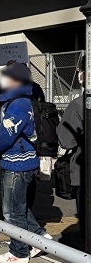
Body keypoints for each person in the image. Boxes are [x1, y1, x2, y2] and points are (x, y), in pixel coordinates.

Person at [0, 61, 48, 263]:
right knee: (19, 207)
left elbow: (7, 135)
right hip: (23, 163)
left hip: (17, 165)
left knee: (11, 212)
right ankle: (38, 238)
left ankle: (19, 252)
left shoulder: (19, 103)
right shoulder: (20, 99)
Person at [58, 58, 85, 230]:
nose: (78, 74)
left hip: (84, 172)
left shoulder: (79, 105)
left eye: (80, 70)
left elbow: (66, 140)